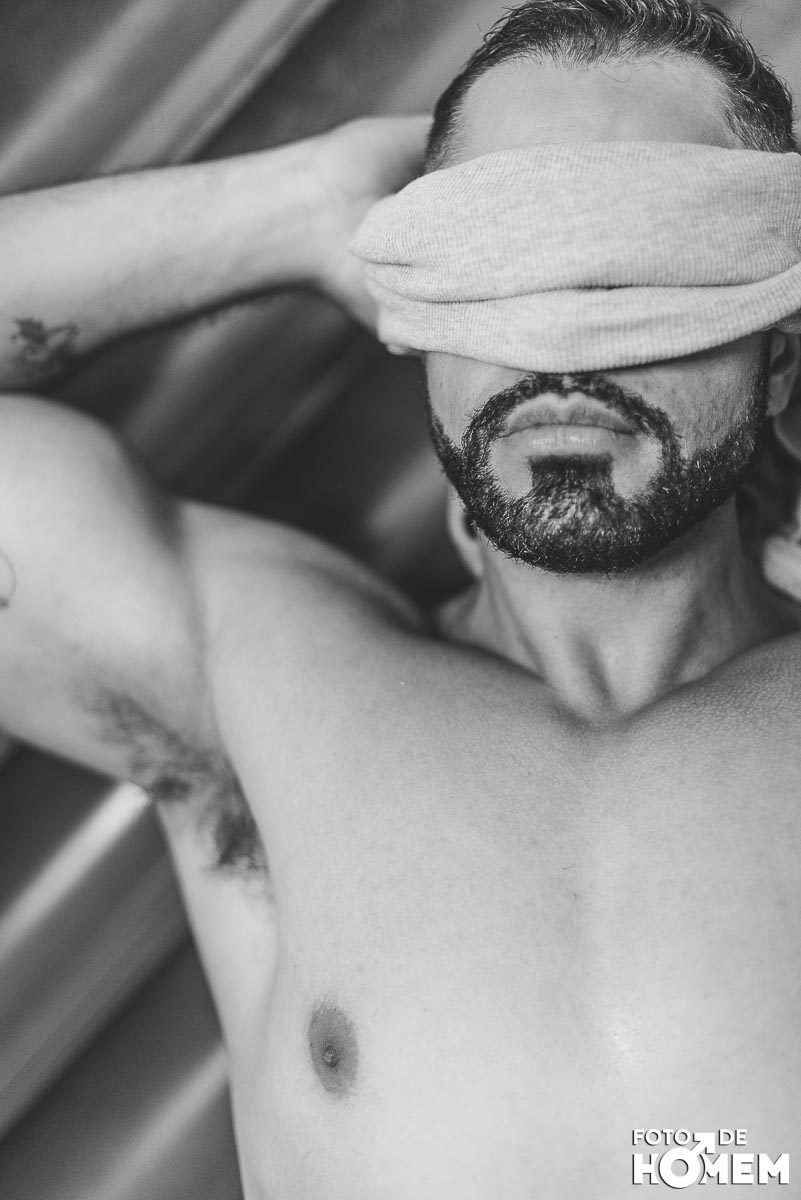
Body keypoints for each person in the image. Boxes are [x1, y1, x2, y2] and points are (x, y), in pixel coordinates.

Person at [1, 0, 799, 1194]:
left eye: (648, 266)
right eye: (491, 260)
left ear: (779, 354)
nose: (564, 351)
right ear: (414, 314)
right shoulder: (261, 682)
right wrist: (298, 209)